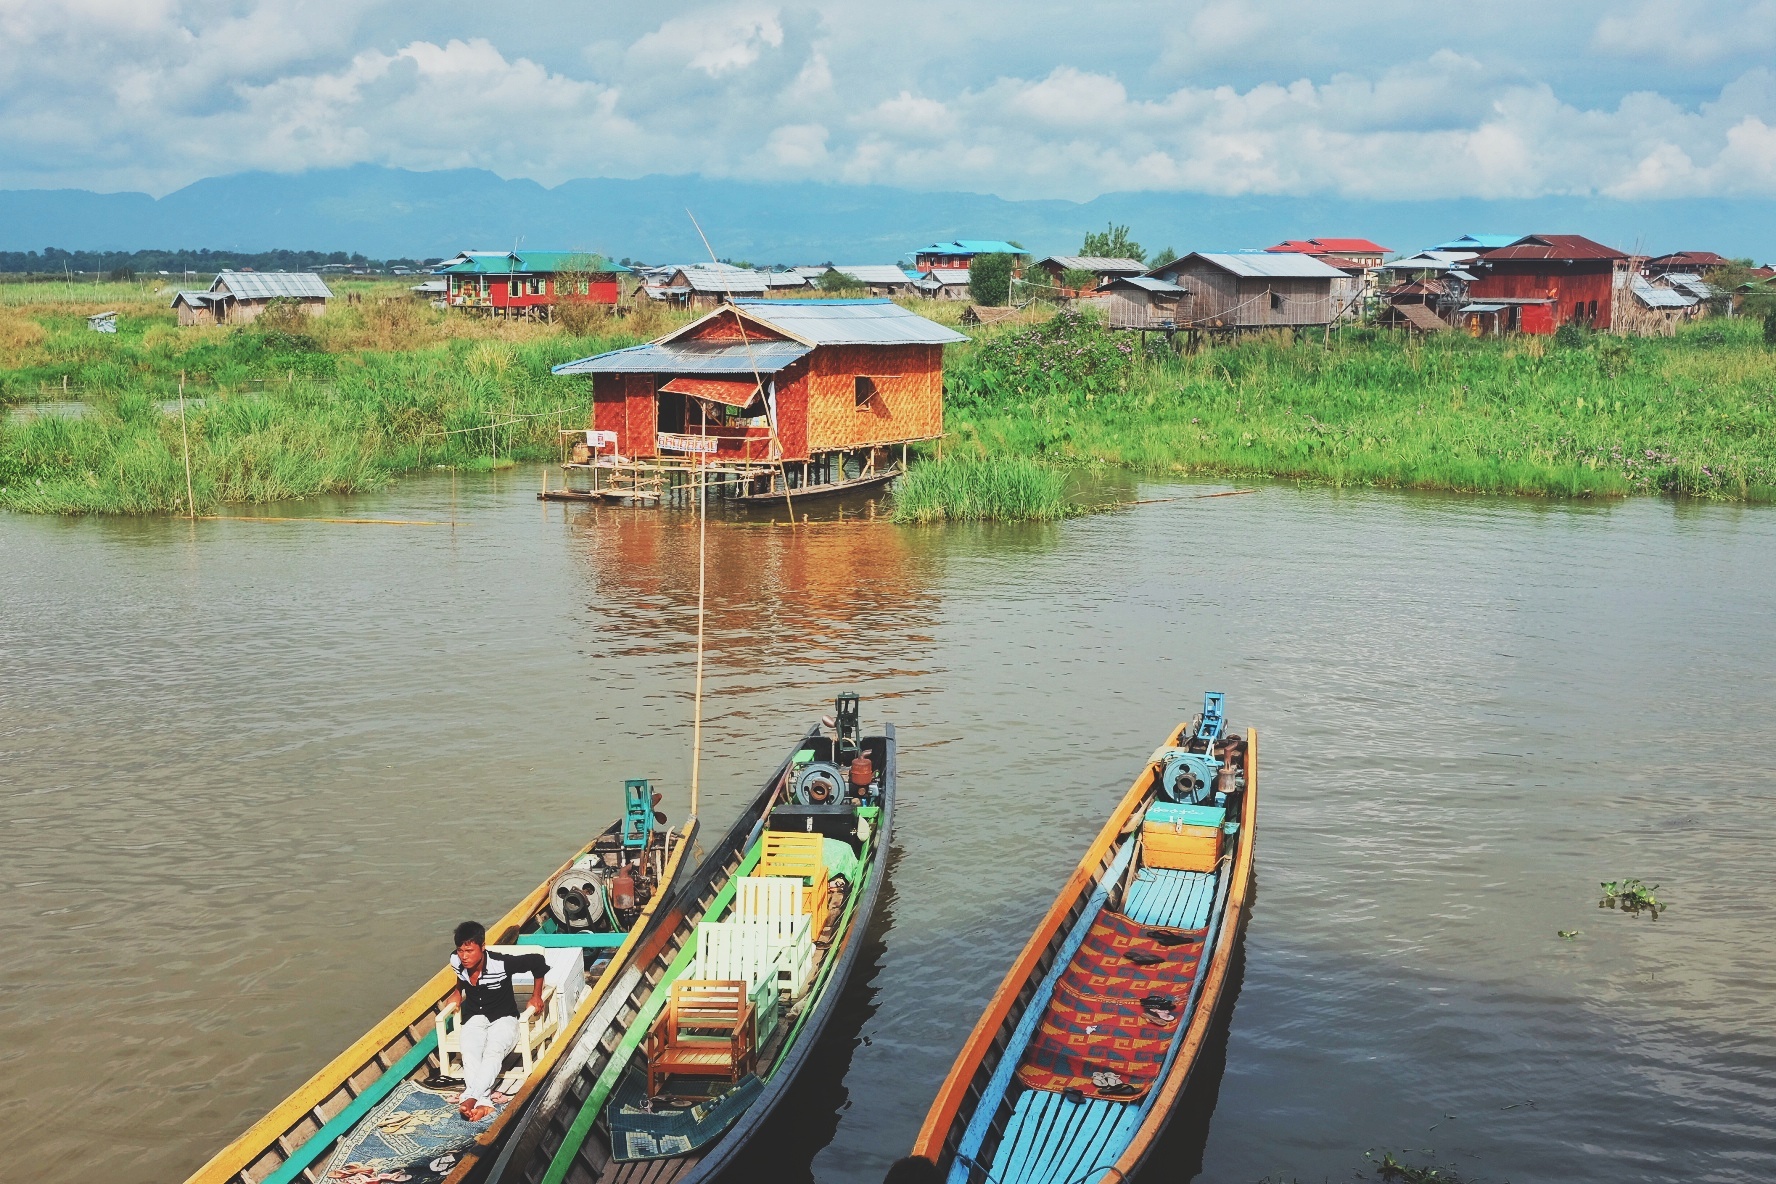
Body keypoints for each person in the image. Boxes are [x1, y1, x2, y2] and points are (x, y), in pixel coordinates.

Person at [447, 921, 550, 1122]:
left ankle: (472, 1098)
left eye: (469, 951)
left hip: (504, 1017)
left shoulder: (501, 964)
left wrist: (536, 995)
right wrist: (457, 992)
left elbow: (538, 962)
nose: (464, 956)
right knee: (470, 1050)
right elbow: (460, 975)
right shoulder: (455, 960)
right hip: (475, 1015)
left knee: (493, 1051)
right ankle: (484, 1104)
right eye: (460, 950)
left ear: (483, 947)